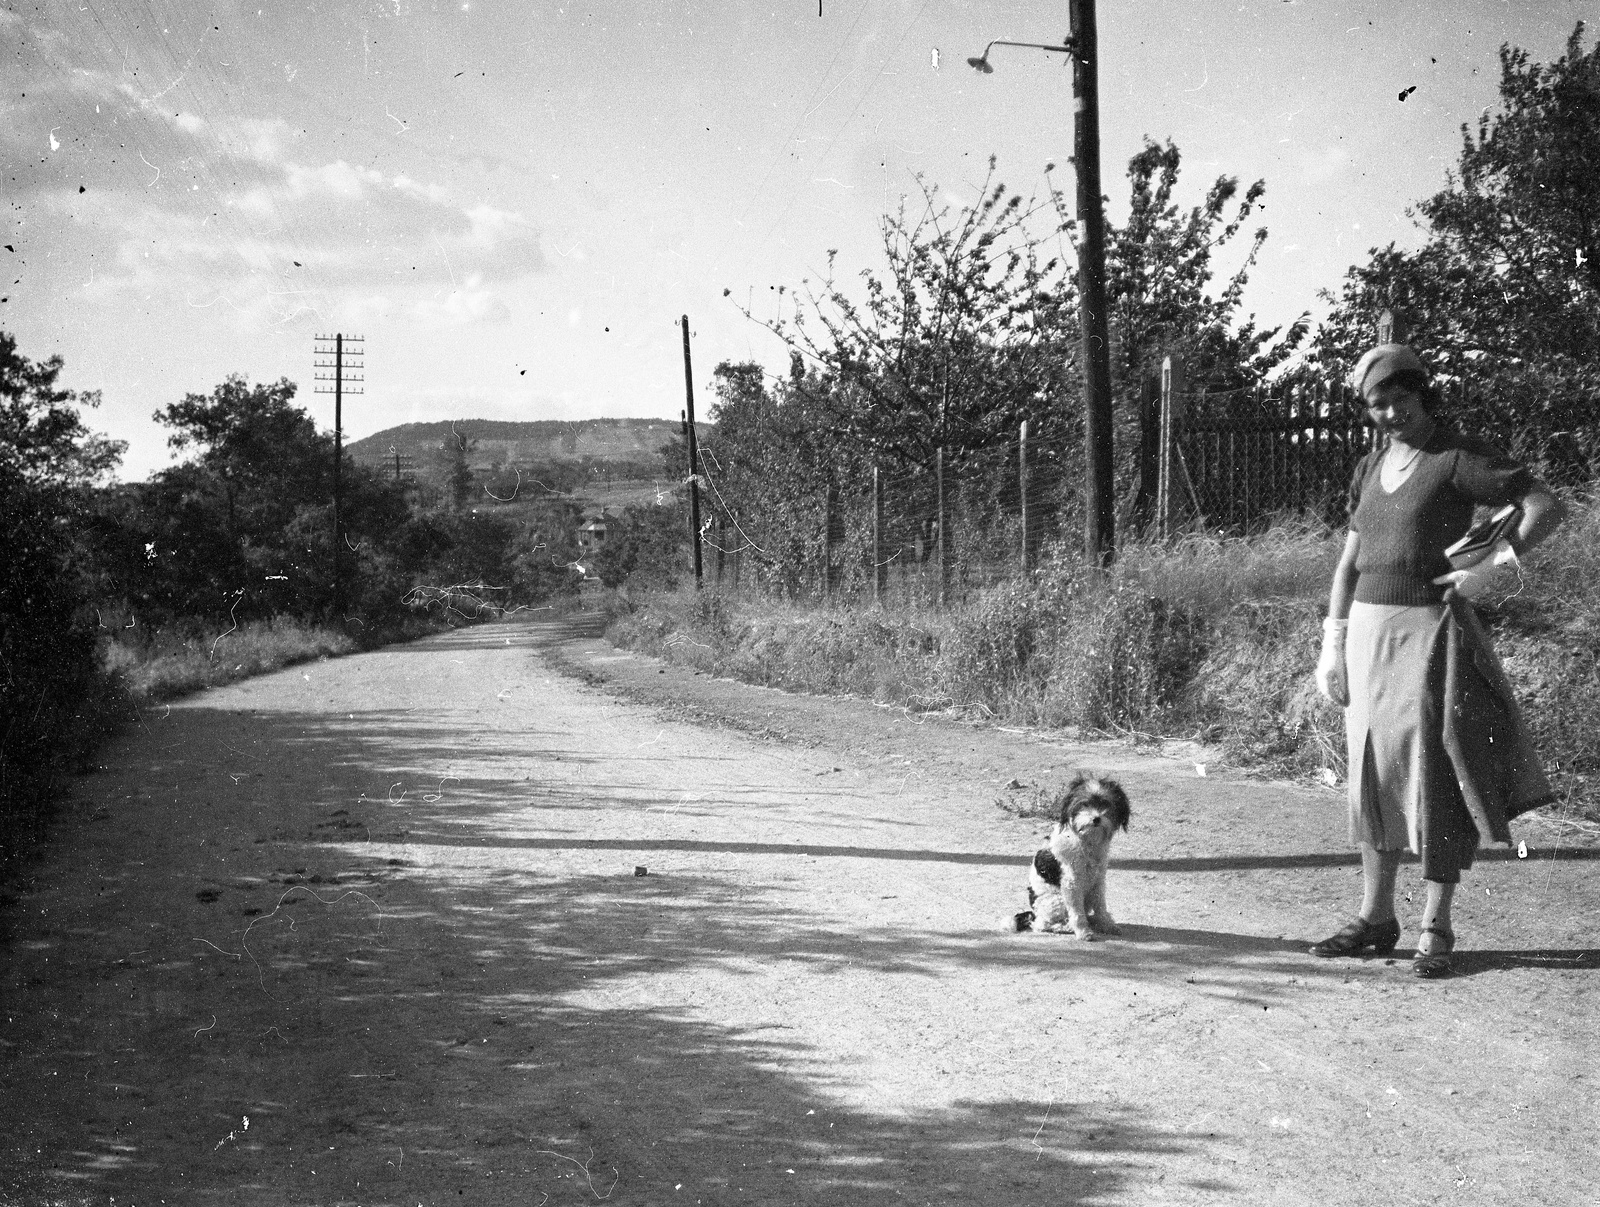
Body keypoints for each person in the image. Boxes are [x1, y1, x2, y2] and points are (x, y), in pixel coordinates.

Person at [1310, 343, 1567, 977]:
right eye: (1378, 405)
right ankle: (1375, 918)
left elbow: (1544, 505)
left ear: (1424, 393)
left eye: (1402, 399)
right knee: (1372, 774)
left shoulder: (1457, 458)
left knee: (1432, 774)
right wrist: (1332, 644)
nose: (1392, 414)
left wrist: (1492, 569)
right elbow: (1348, 565)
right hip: (1368, 638)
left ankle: (1436, 926)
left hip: (1428, 634)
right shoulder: (1369, 467)